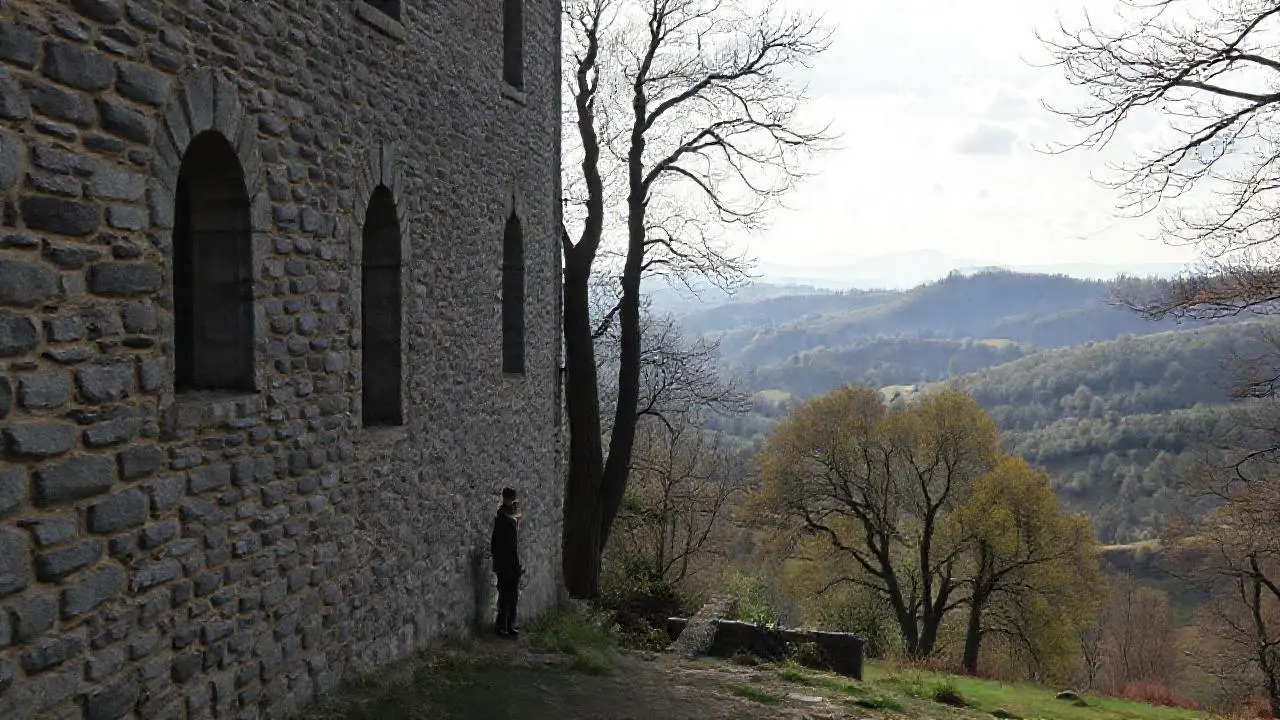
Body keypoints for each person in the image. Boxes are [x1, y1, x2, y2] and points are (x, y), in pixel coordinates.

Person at [490, 486, 523, 637]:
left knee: (511, 595)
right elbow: (506, 545)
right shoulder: (504, 518)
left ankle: (508, 624)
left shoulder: (507, 516)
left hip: (507, 562)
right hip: (506, 563)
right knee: (506, 595)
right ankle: (503, 625)